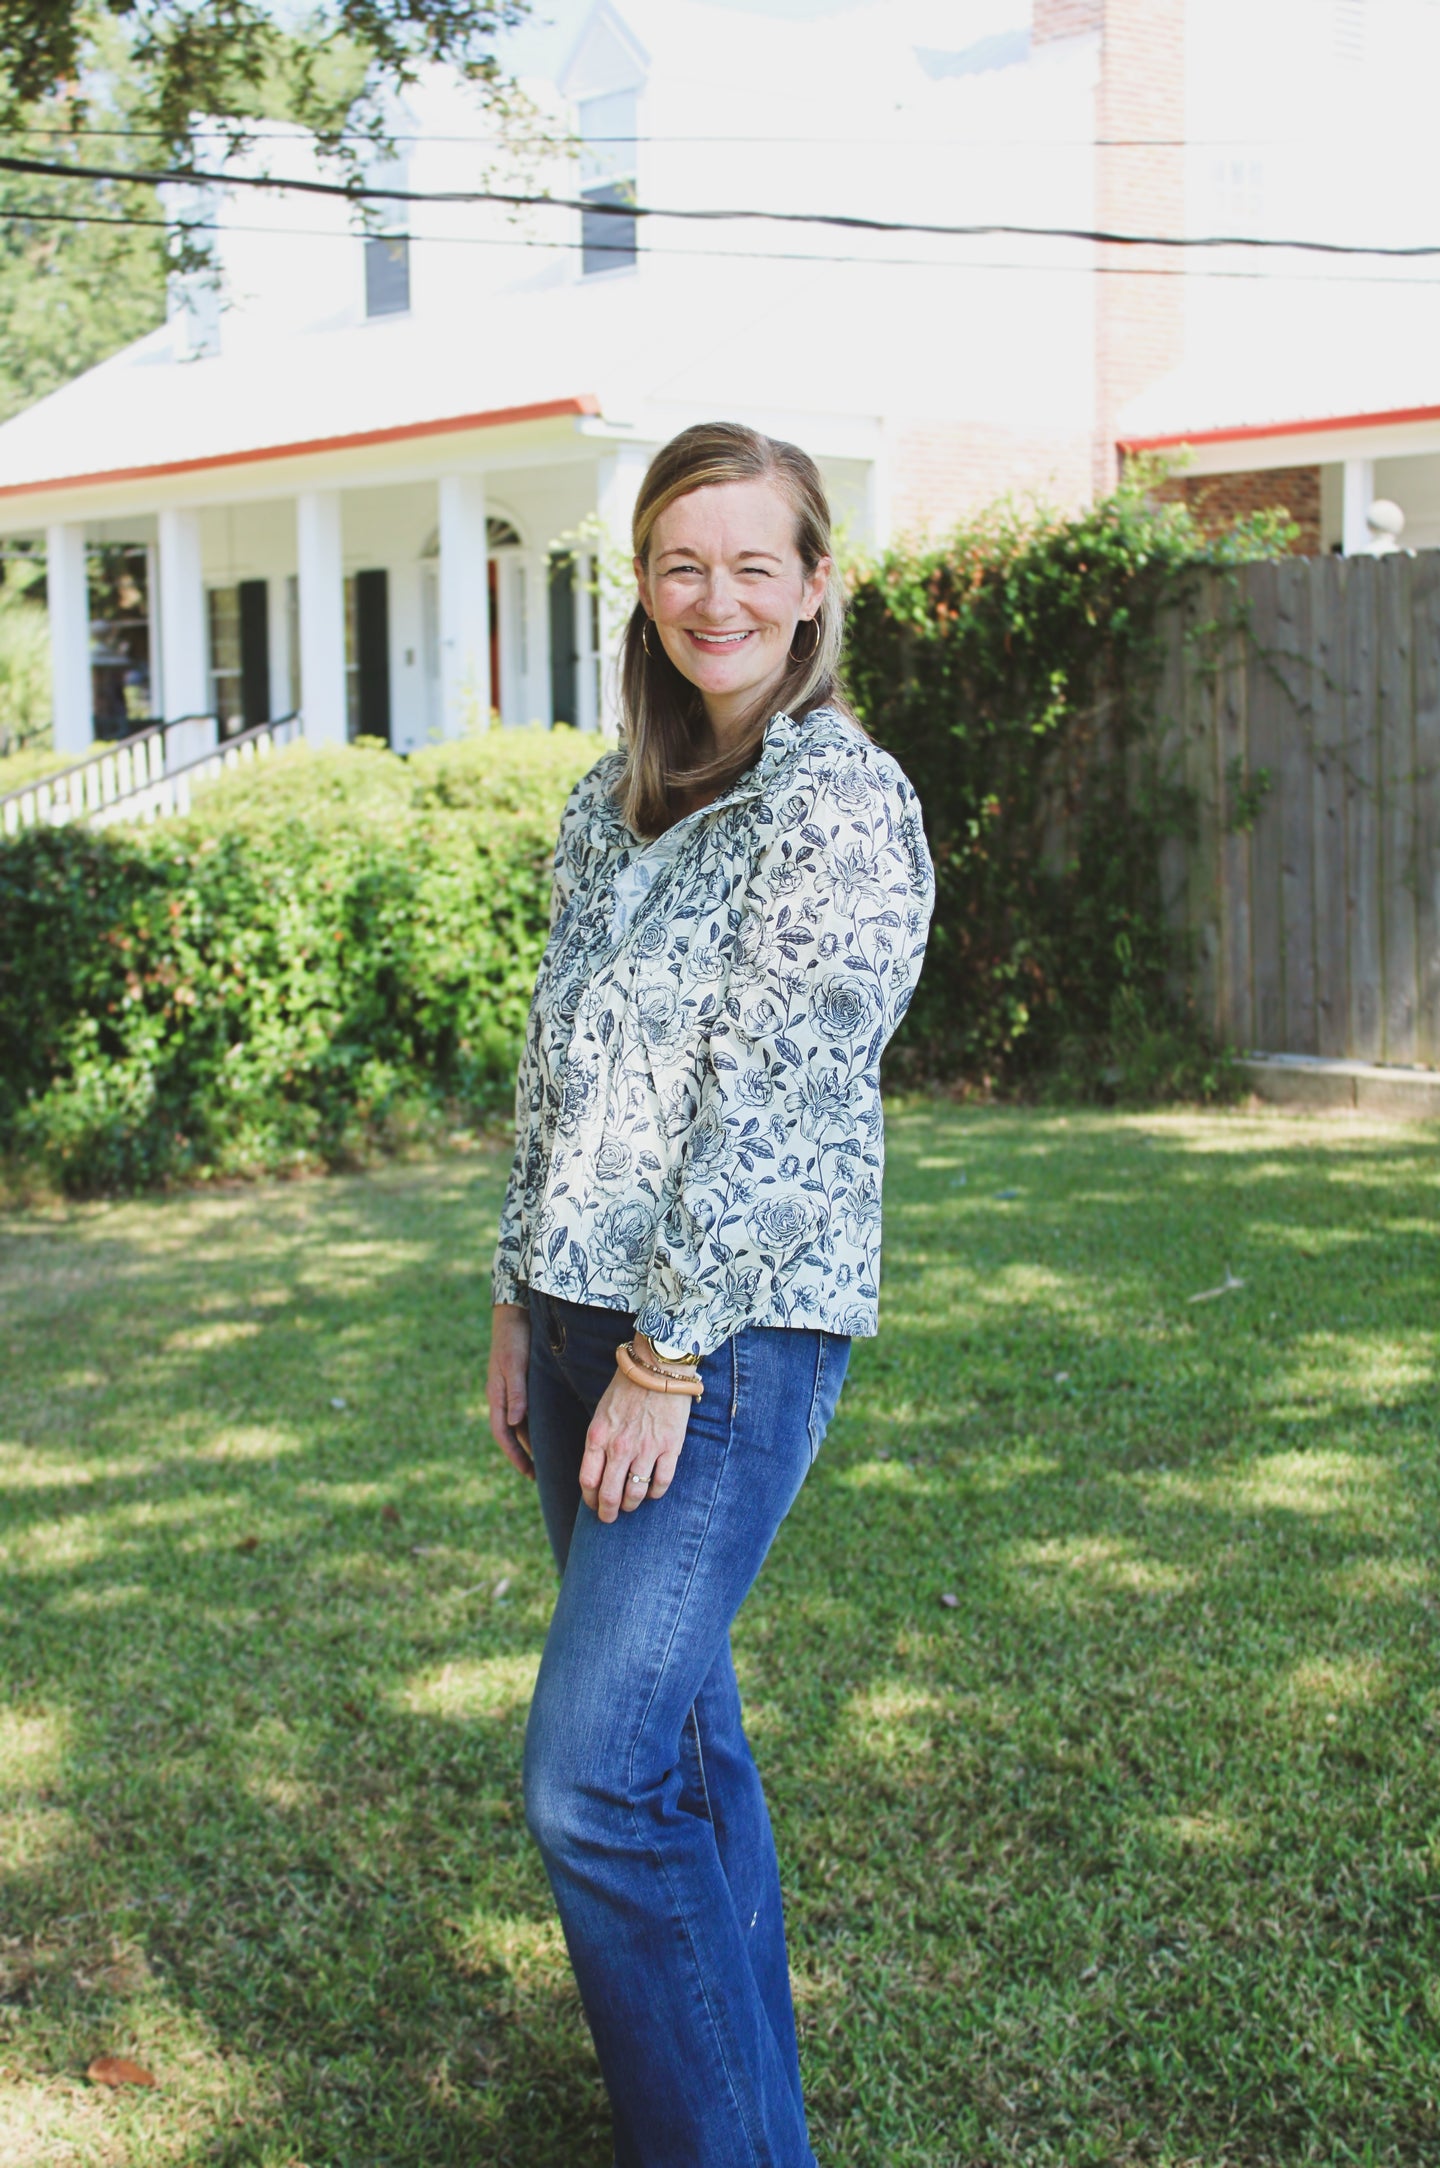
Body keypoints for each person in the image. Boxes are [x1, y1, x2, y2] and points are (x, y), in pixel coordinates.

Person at [487, 421, 933, 2167]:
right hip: (584, 1313)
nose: (717, 595)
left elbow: (782, 1089)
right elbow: (561, 1072)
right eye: (684, 561)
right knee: (672, 1748)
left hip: (718, 1337)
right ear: (644, 586)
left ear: (817, 585)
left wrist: (664, 1359)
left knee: (593, 1780)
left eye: (756, 562)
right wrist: (522, 1306)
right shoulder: (613, 804)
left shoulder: (834, 800)